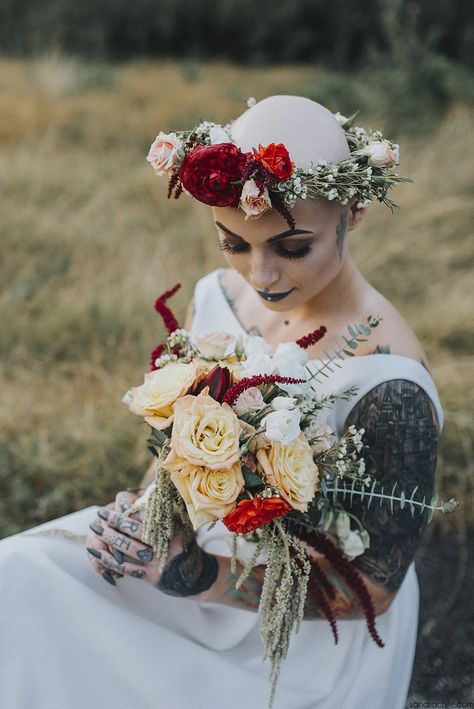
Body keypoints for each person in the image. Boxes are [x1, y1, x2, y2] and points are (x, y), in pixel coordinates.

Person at [0, 95, 443, 709]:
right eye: (233, 243)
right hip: (187, 555)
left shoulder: (390, 385)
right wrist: (142, 519)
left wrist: (201, 579)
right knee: (19, 576)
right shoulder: (216, 297)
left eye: (292, 248)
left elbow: (373, 587)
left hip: (300, 629)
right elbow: (176, 446)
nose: (260, 275)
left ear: (354, 211)